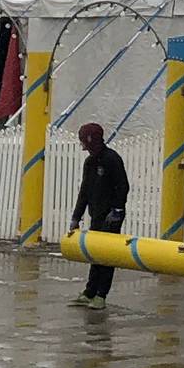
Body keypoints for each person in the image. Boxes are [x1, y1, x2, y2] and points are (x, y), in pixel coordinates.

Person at [67, 123, 131, 309]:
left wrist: (117, 209)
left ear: (90, 140)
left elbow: (123, 186)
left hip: (111, 216)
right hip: (96, 214)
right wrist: (76, 217)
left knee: (106, 256)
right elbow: (85, 191)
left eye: (83, 140)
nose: (82, 144)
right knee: (95, 254)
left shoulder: (112, 159)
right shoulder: (90, 162)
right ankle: (90, 292)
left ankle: (101, 295)